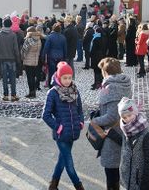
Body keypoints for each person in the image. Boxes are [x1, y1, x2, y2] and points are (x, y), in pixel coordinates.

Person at [43, 62, 85, 190]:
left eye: (69, 77)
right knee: (69, 164)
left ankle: (53, 185)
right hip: (61, 134)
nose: (67, 81)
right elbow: (46, 115)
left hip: (72, 132)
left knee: (62, 160)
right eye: (64, 78)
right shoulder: (53, 93)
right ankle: (79, 186)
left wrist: (81, 122)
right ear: (58, 77)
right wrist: (58, 127)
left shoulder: (75, 90)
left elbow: (80, 110)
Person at [92, 58, 131, 189]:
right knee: (114, 170)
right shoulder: (123, 83)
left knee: (111, 171)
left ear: (105, 71)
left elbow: (112, 116)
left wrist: (95, 121)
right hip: (121, 131)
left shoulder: (112, 87)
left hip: (112, 135)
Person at [110, 97, 149, 190]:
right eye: (124, 117)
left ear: (135, 112)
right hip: (125, 181)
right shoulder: (125, 129)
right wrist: (111, 134)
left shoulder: (147, 135)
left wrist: (145, 186)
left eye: (129, 115)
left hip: (138, 183)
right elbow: (125, 144)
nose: (127, 120)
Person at [0, 18, 21, 101]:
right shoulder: (13, 34)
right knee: (13, 77)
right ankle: (13, 95)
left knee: (4, 78)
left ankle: (5, 95)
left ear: (3, 25)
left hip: (2, 58)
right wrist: (18, 60)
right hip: (12, 59)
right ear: (11, 25)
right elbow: (15, 49)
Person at [21, 26, 42, 98]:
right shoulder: (39, 39)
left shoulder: (29, 40)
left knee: (29, 78)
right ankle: (34, 92)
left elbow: (24, 51)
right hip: (35, 61)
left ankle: (31, 92)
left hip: (28, 61)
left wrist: (22, 58)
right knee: (33, 77)